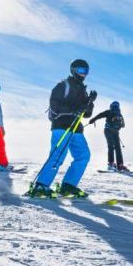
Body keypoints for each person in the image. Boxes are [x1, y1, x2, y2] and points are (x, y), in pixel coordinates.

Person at [29, 59, 96, 198]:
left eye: (86, 71)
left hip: (76, 128)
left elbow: (87, 114)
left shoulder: (83, 90)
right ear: (73, 70)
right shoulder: (63, 85)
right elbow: (55, 106)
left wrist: (90, 102)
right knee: (58, 156)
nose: (83, 74)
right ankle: (41, 186)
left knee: (83, 156)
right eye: (81, 71)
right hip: (62, 126)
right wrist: (74, 110)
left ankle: (68, 186)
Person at [89, 101, 128, 172]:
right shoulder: (120, 114)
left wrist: (92, 120)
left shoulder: (109, 111)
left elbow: (100, 115)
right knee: (118, 148)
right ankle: (120, 165)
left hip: (108, 130)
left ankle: (111, 164)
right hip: (115, 132)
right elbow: (123, 125)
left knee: (110, 147)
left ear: (111, 106)